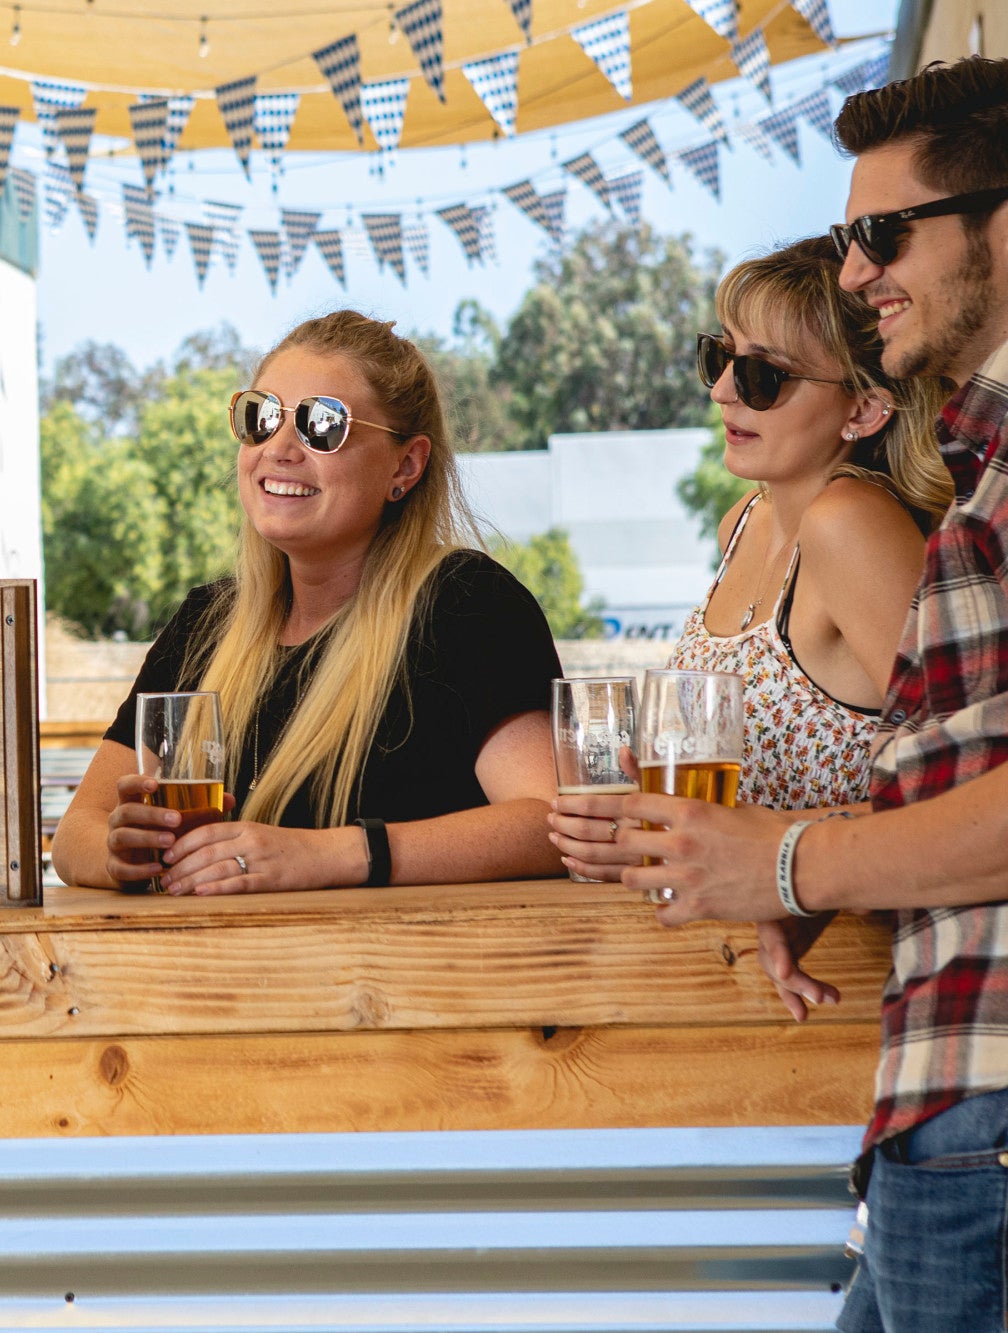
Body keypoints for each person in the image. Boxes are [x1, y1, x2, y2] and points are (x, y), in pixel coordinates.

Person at [598, 58, 1008, 1333]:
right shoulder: (980, 464)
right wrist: (811, 881)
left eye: (881, 235)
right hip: (941, 1082)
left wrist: (789, 867)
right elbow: (935, 762)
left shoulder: (863, 517)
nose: (851, 271)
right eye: (844, 240)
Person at [50, 311, 564, 894]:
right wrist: (125, 853)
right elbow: (74, 837)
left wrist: (333, 854)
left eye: (324, 425)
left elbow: (550, 824)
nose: (280, 448)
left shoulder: (467, 605)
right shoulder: (206, 622)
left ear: (406, 464)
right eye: (260, 417)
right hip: (213, 980)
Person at [552, 236, 951, 879]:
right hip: (739, 945)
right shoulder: (742, 523)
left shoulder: (849, 524)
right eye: (721, 356)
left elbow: (965, 790)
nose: (724, 391)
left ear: (865, 406)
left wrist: (758, 839)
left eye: (766, 374)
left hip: (844, 946)